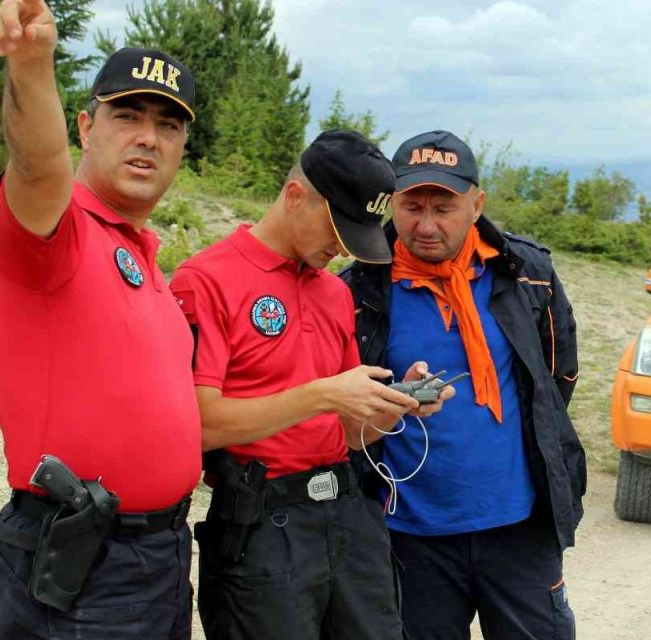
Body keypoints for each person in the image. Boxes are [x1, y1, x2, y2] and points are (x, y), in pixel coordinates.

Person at [170, 129, 451, 640]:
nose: (342, 248)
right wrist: (321, 394)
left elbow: (349, 436)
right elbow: (198, 426)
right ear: (295, 196)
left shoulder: (333, 293)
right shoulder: (205, 279)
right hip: (261, 529)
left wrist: (392, 409)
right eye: (338, 229)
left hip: (346, 517)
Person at [0, 1, 202, 637]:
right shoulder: (56, 231)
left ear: (182, 146)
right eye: (127, 115)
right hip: (83, 558)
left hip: (158, 553)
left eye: (168, 125)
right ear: (85, 125)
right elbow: (35, 166)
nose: (148, 137)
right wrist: (30, 66)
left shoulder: (144, 253)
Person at [341, 130, 585, 640]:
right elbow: (346, 407)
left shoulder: (525, 273)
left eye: (444, 207)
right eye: (411, 206)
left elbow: (556, 381)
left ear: (476, 205)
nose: (425, 225)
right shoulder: (358, 287)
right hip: (409, 535)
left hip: (518, 526)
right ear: (392, 204)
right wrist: (396, 403)